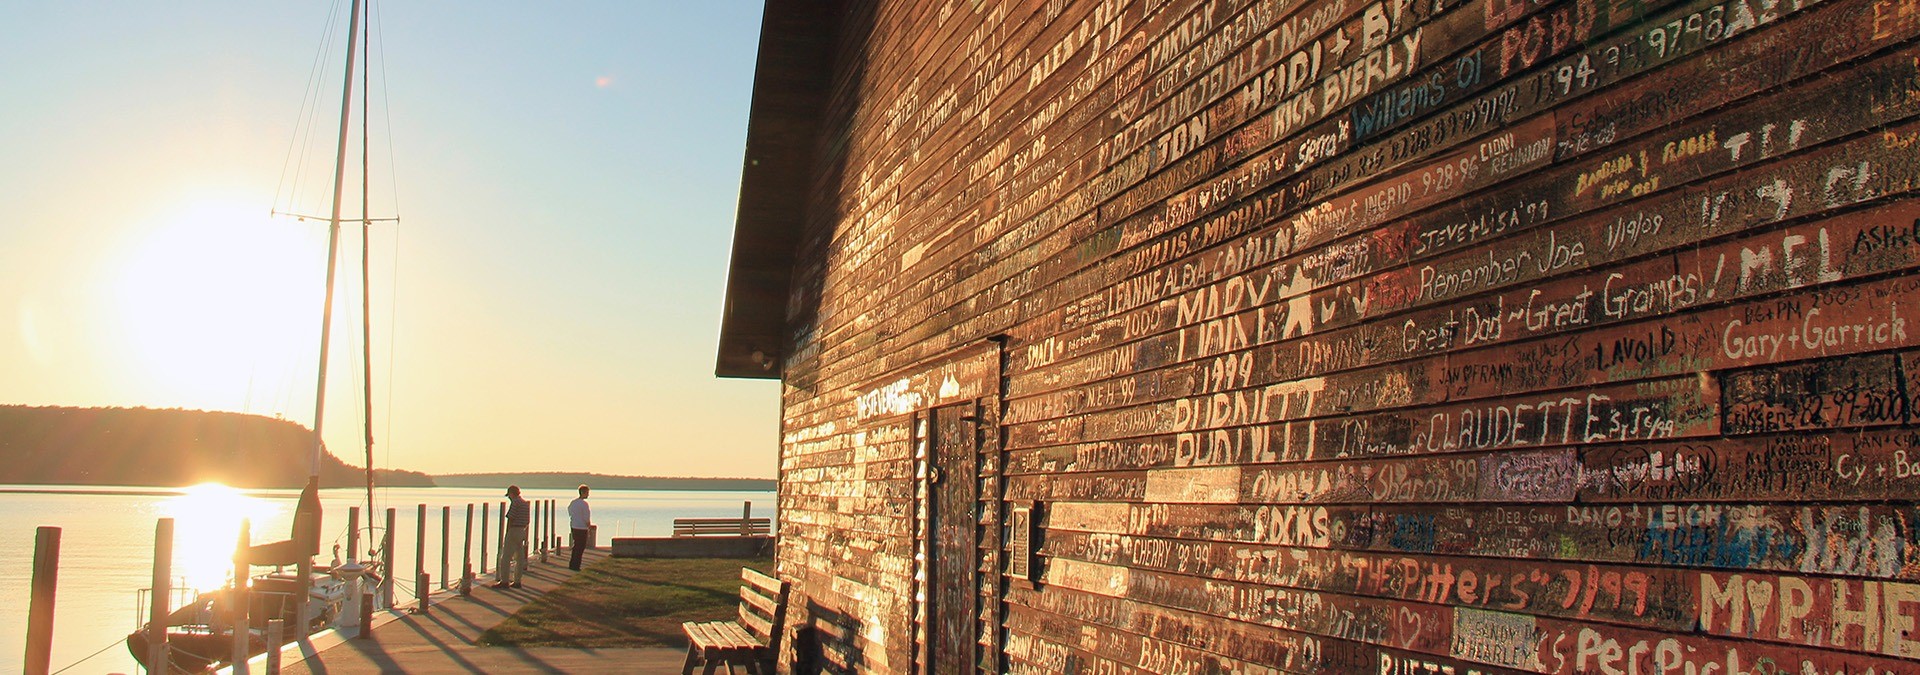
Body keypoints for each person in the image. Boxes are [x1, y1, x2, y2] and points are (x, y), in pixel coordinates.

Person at [494, 485, 530, 588]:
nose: (509, 497)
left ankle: (504, 581)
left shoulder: (515, 503)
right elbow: (527, 520)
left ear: (511, 493)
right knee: (519, 557)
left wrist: (507, 532)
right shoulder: (525, 503)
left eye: (509, 495)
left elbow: (511, 517)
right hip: (522, 530)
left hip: (514, 529)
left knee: (506, 557)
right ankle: (517, 581)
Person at [567, 484, 592, 570]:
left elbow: (570, 512)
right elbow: (586, 517)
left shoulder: (573, 503)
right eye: (587, 493)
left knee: (576, 546)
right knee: (580, 547)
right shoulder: (584, 504)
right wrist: (589, 526)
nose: (588, 495)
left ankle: (572, 564)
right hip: (582, 527)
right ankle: (576, 565)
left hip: (574, 526)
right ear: (583, 492)